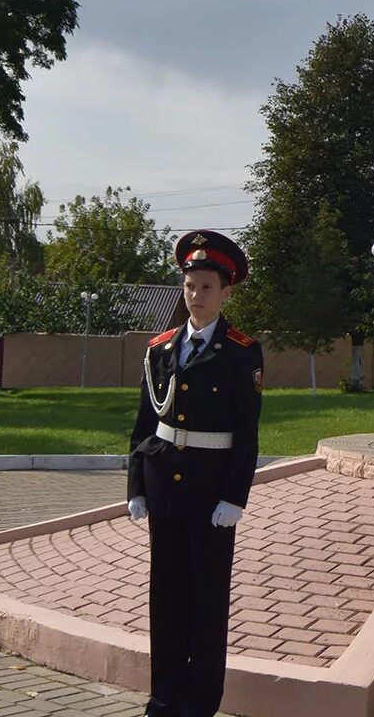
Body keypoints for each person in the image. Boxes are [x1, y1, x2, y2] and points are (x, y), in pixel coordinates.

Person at [126, 229, 265, 717]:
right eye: (190, 286)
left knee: (206, 602)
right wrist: (136, 484)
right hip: (164, 488)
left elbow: (247, 434)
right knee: (165, 597)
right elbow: (145, 423)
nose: (196, 296)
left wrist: (235, 497)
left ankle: (199, 702)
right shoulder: (161, 348)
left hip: (211, 496)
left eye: (207, 287)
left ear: (226, 292)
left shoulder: (241, 351)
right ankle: (163, 696)